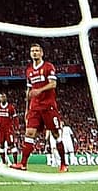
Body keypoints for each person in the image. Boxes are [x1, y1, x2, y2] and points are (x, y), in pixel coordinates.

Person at [13, 43, 66, 172]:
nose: (35, 53)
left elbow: (53, 84)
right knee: (29, 133)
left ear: (41, 53)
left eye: (37, 51)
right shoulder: (29, 71)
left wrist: (39, 90)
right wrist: (26, 109)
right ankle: (23, 164)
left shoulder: (48, 67)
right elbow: (29, 90)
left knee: (55, 134)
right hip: (35, 108)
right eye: (32, 51)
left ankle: (64, 164)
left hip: (48, 106)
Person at [0, 91, 17, 166]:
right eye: (1, 97)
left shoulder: (10, 107)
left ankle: (15, 163)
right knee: (1, 145)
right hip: (1, 129)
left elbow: (15, 118)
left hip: (8, 129)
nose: (2, 98)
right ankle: (3, 162)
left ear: (6, 98)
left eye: (3, 97)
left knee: (11, 145)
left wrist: (15, 127)